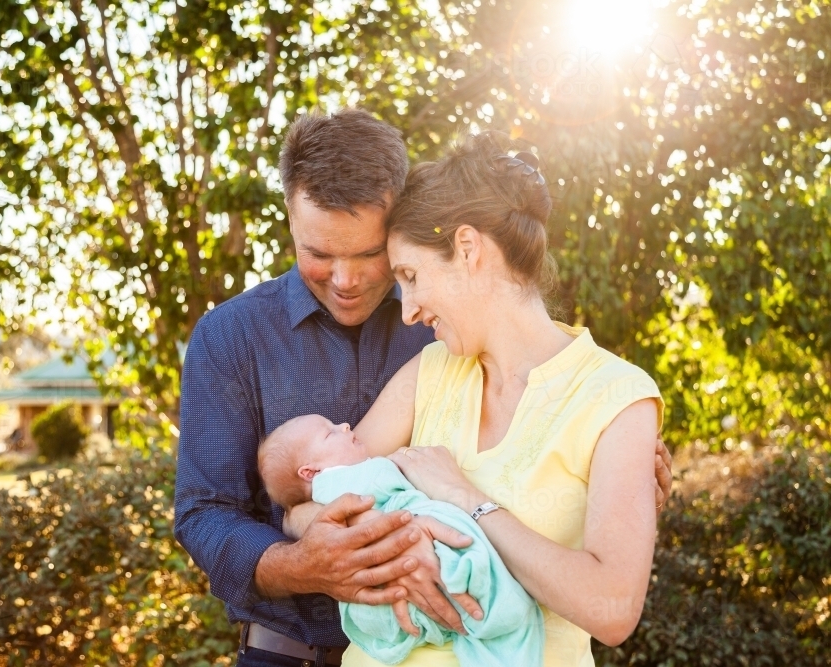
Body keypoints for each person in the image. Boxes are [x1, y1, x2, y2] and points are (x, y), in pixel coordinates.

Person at [174, 109, 673, 667]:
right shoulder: (237, 338)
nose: (346, 279)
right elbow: (231, 511)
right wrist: (319, 558)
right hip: (286, 653)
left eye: (375, 259)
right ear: (290, 217)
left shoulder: (459, 344)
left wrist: (608, 485)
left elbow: (605, 588)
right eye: (317, 254)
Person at [257, 414, 545, 666]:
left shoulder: (328, 493)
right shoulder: (343, 480)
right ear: (311, 472)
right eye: (330, 432)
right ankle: (500, 615)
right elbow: (387, 482)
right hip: (403, 558)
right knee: (469, 563)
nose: (344, 425)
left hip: (380, 604)